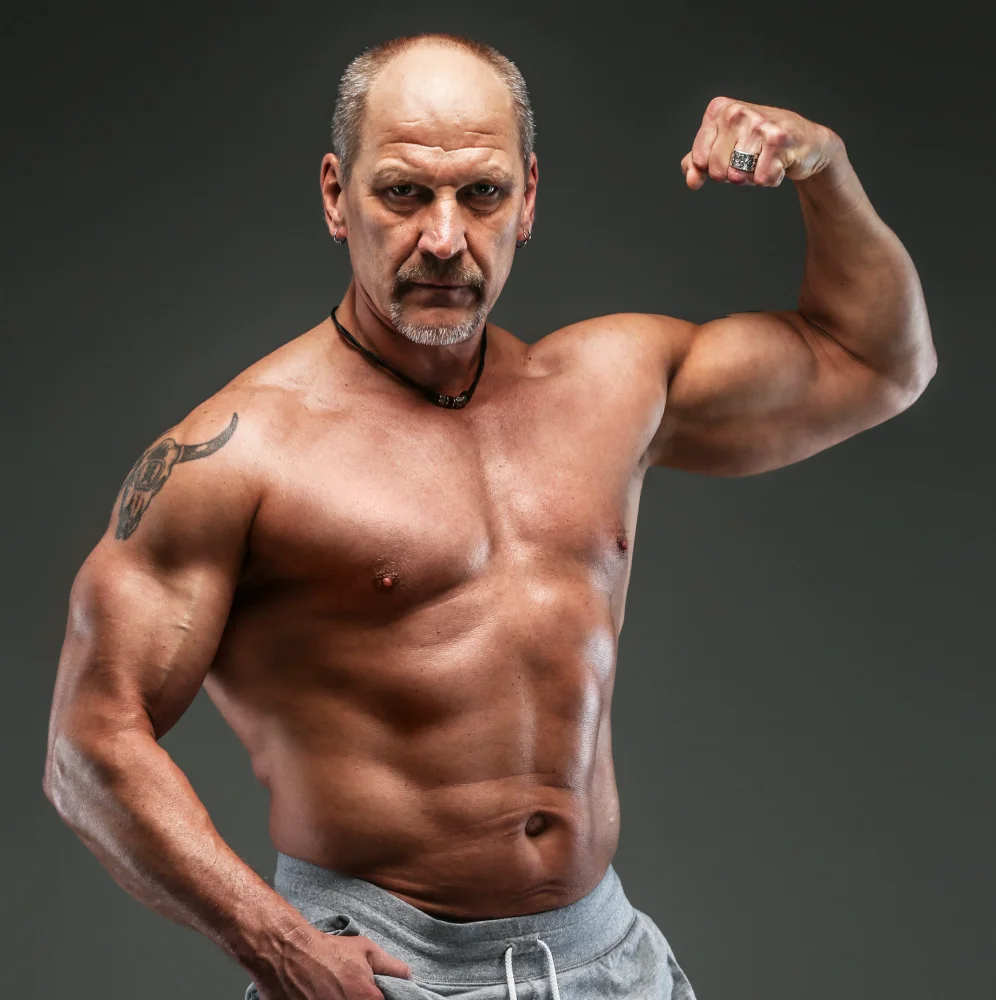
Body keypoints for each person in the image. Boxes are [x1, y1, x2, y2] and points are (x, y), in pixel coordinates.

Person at [42, 31, 935, 1000]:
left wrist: (825, 170)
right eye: (402, 193)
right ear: (336, 195)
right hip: (382, 971)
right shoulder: (239, 452)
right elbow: (89, 740)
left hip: (608, 961)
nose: (441, 237)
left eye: (480, 194)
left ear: (529, 197)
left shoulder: (608, 386)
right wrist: (276, 942)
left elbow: (877, 362)